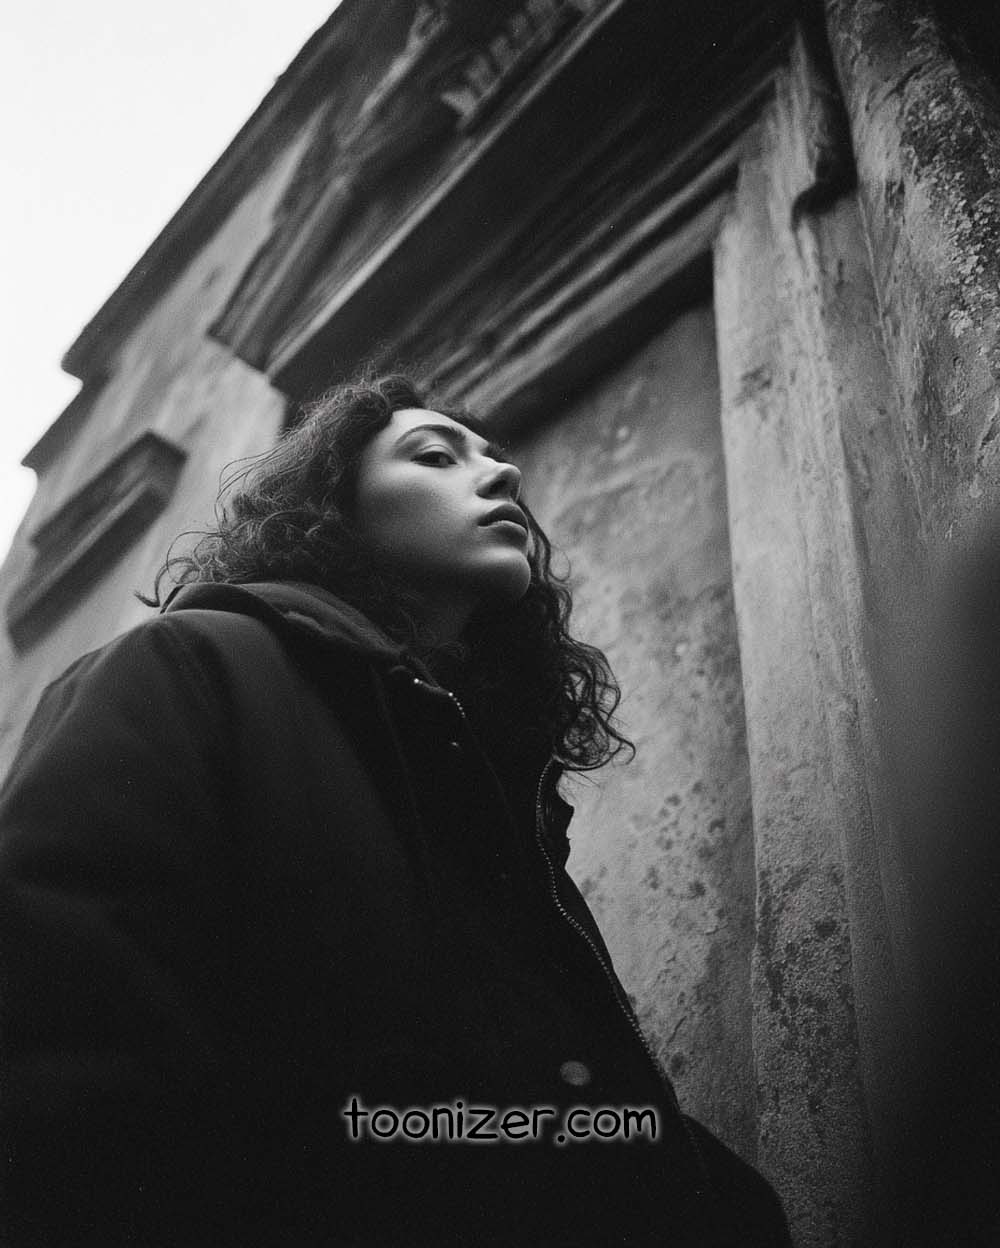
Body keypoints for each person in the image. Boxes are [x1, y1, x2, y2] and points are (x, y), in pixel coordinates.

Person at [0, 373, 790, 1246]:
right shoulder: (191, 666)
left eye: (494, 458)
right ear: (332, 510)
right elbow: (56, 1044)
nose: (503, 475)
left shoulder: (495, 798)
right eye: (436, 456)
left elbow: (541, 1100)